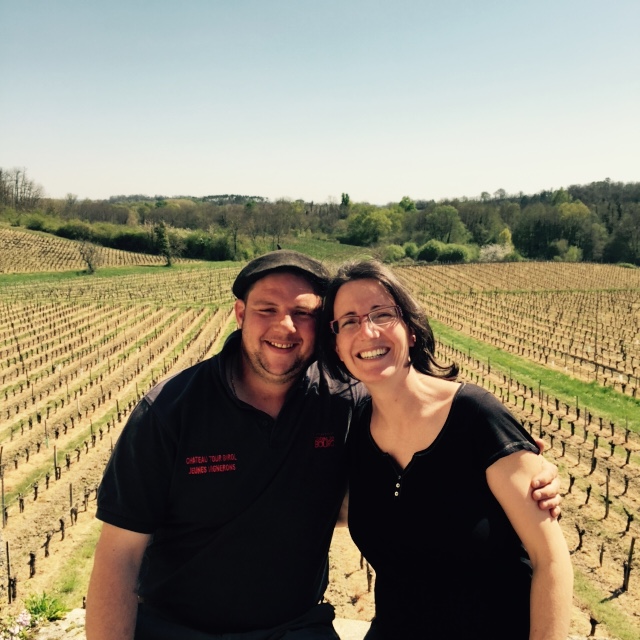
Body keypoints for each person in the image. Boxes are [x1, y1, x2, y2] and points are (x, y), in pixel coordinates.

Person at [86, 250, 562, 640]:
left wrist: (520, 463)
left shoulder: (343, 404)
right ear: (239, 315)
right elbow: (119, 553)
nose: (285, 327)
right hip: (179, 630)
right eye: (267, 310)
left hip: (296, 629)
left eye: (304, 314)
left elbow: (430, 438)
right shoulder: (171, 410)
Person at [320, 260, 573, 640]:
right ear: (338, 345)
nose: (367, 331)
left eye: (382, 314)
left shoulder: (475, 417)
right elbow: (337, 509)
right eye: (350, 321)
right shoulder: (354, 426)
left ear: (412, 331)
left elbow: (550, 559)